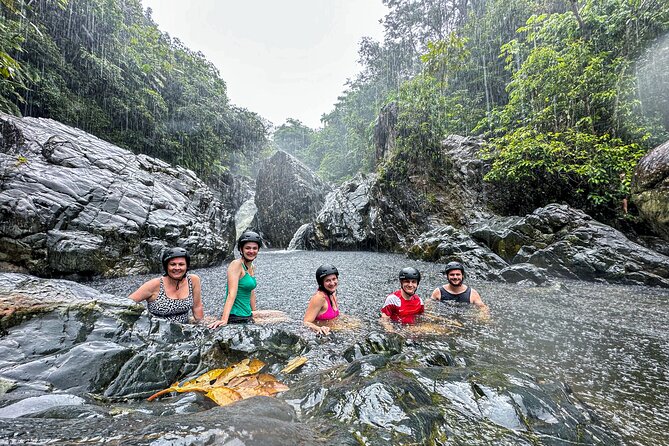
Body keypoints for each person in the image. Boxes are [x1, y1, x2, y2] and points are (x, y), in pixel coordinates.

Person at [129, 247, 203, 323]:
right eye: (173, 264)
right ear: (166, 266)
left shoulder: (193, 280)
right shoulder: (153, 284)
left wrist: (201, 327)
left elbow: (197, 307)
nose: (177, 268)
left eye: (181, 264)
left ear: (187, 266)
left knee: (212, 322)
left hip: (184, 328)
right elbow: (126, 304)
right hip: (158, 330)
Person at [208, 231, 262, 328]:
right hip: (237, 316)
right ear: (241, 249)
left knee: (280, 315)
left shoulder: (251, 267)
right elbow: (231, 294)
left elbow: (251, 293)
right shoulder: (236, 264)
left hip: (247, 314)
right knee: (283, 319)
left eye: (255, 248)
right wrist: (224, 320)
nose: (251, 251)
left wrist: (254, 314)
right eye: (248, 248)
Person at [303, 264, 340, 335]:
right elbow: (306, 322)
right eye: (328, 281)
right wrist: (319, 329)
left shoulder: (332, 293)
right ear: (321, 283)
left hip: (333, 329)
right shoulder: (319, 298)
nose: (332, 283)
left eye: (334, 279)